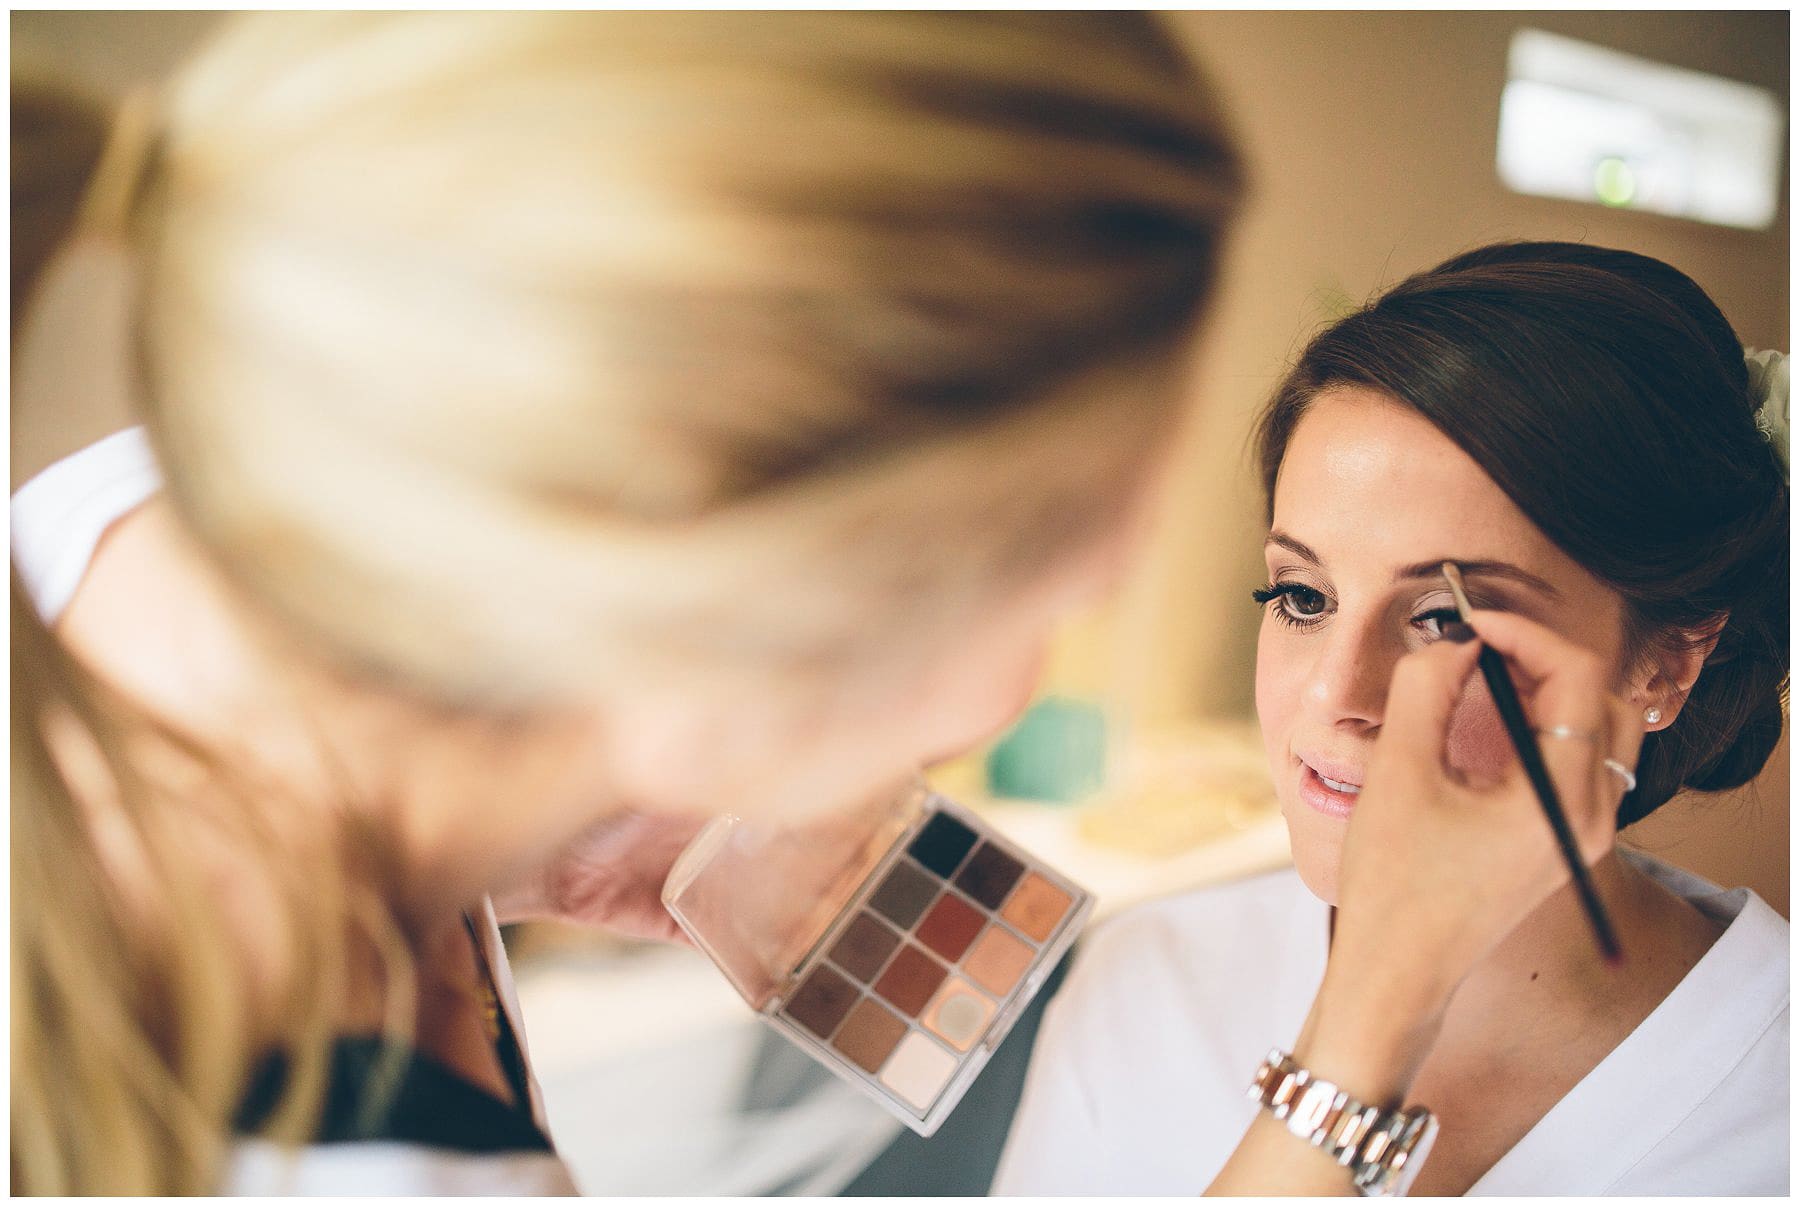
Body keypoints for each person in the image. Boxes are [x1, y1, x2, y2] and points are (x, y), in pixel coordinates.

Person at [9, 12, 1246, 1194]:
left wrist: (519, 836)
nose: (1016, 685)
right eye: (1062, 589)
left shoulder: (129, 521)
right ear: (740, 662)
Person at [993, 242, 1790, 1195]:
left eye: (1445, 620)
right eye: (1301, 596)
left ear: (1665, 663)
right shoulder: (1148, 981)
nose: (1336, 696)